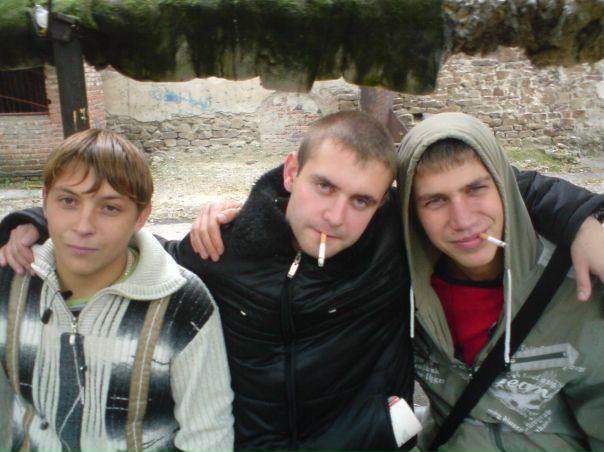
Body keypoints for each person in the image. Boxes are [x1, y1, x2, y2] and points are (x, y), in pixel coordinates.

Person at [1, 111, 604, 452]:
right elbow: (122, 238)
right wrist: (35, 221)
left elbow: (491, 187)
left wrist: (581, 218)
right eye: (324, 186)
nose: (336, 216)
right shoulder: (221, 248)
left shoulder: (393, 242)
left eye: (361, 200)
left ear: (384, 203)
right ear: (292, 172)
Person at [0, 129, 234, 452]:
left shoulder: (183, 304)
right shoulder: (12, 281)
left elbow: (207, 435)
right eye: (68, 201)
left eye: (110, 208)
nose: (84, 226)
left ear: (141, 216)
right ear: (45, 202)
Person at [396, 112, 604, 451]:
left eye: (476, 189)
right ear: (412, 212)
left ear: (503, 187)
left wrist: (583, 220)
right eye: (435, 200)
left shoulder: (575, 286)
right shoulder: (397, 280)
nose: (463, 220)